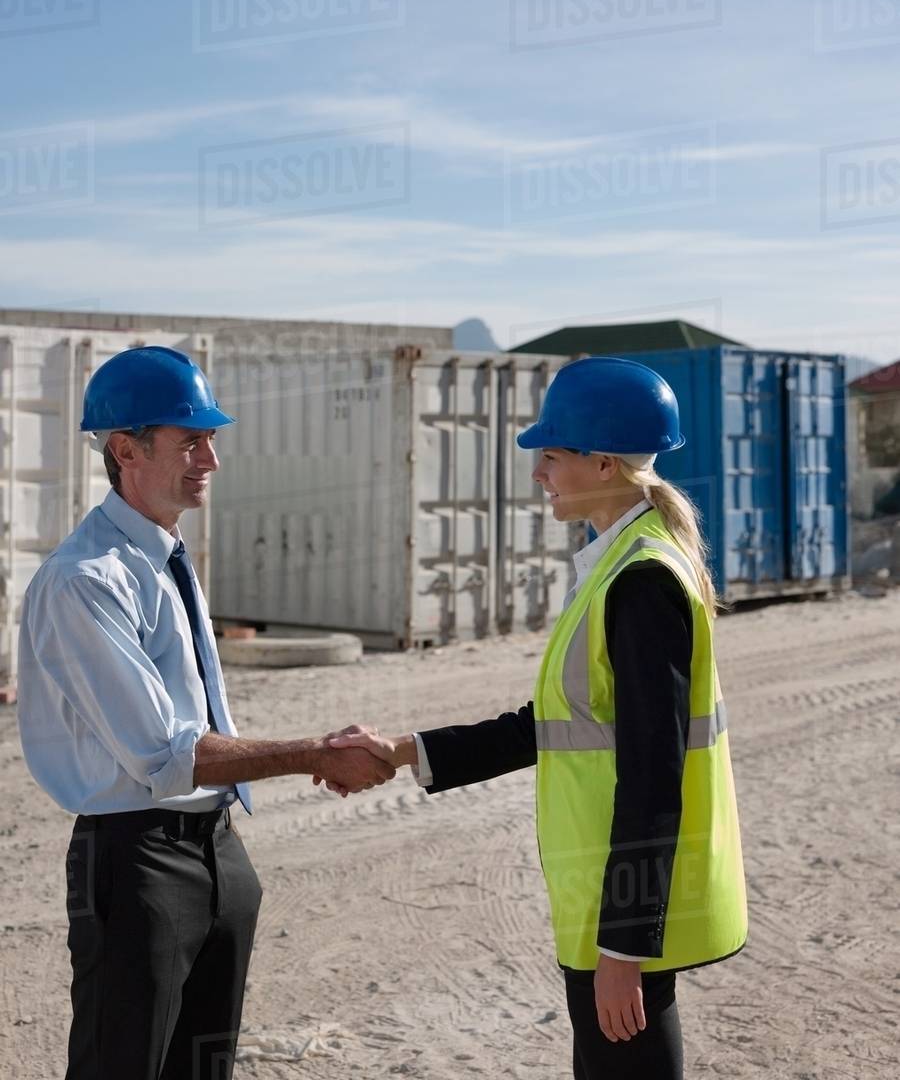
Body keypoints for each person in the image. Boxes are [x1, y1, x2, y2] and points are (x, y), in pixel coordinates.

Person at [323, 356, 748, 1080]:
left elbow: (654, 777)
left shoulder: (642, 581)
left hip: (623, 915)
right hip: (599, 899)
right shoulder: (614, 566)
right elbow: (545, 725)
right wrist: (401, 751)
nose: (538, 473)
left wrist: (625, 951)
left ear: (605, 463)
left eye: (551, 455)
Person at [17, 345, 393, 1080]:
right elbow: (167, 755)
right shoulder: (84, 582)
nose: (211, 459)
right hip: (139, 863)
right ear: (125, 449)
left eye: (212, 439)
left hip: (218, 851)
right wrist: (315, 753)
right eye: (191, 440)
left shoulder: (164, 559)